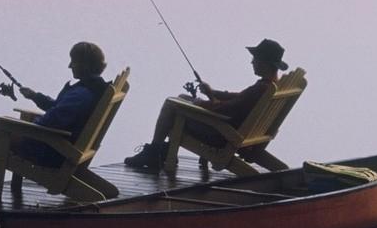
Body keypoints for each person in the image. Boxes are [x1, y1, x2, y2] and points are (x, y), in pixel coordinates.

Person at [0, 42, 110, 198]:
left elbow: (52, 121)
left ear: (85, 65)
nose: (69, 65)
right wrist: (35, 97)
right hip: (65, 148)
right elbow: (61, 111)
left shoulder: (81, 94)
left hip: (53, 152)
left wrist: (27, 126)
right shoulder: (91, 90)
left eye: (73, 62)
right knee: (3, 127)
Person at [123, 38, 288, 171]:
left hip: (222, 134)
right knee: (181, 98)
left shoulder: (260, 89)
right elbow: (238, 99)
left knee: (171, 104)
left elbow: (225, 110)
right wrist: (214, 93)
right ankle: (159, 151)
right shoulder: (271, 86)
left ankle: (154, 152)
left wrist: (200, 102)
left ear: (265, 63)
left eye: (255, 59)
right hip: (241, 132)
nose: (252, 62)